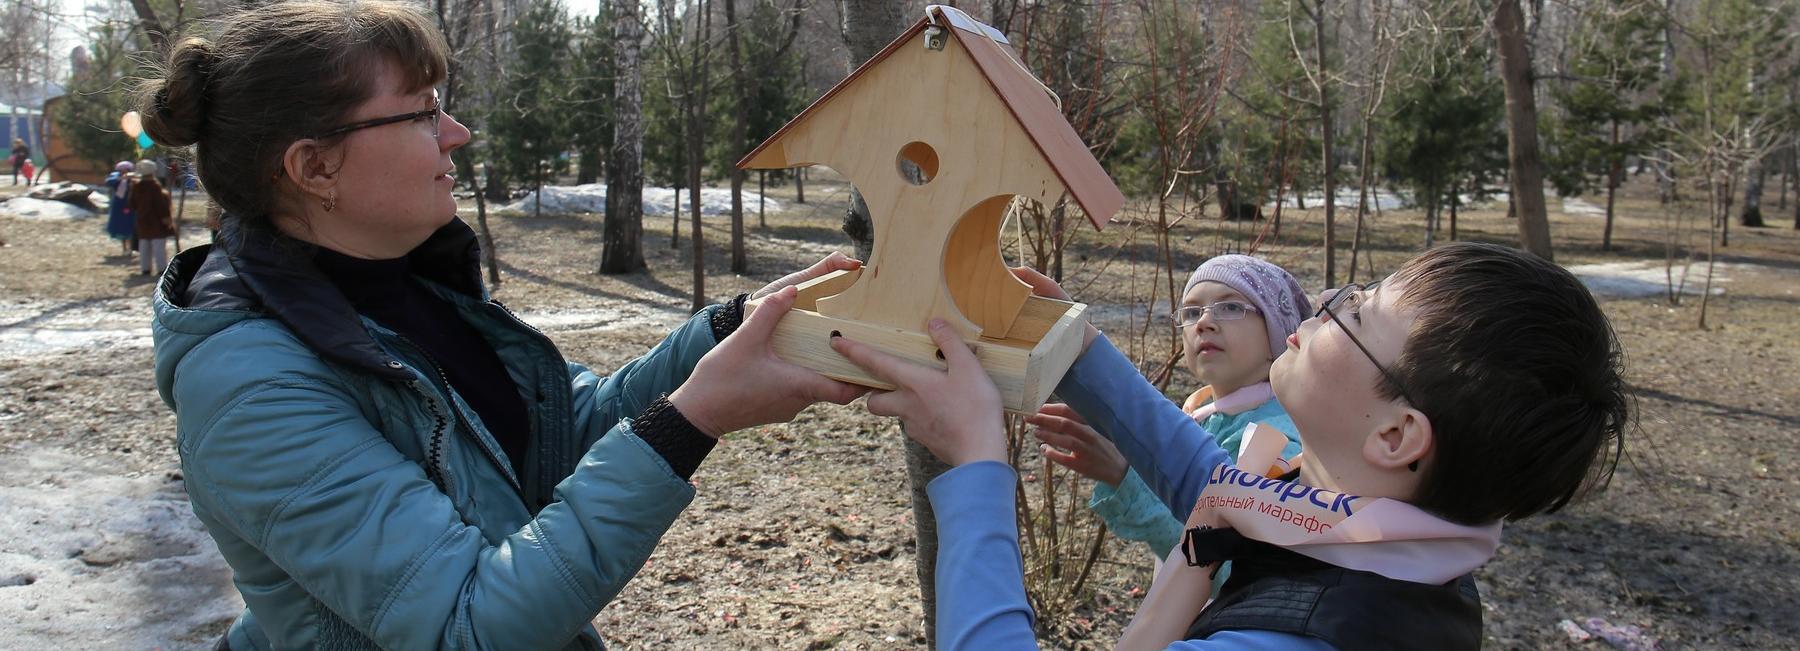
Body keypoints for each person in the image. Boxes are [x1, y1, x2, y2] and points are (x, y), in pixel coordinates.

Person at [141, 2, 864, 649]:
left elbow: (554, 440)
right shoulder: (249, 388)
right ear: (313, 167)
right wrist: (693, 418)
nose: (457, 132)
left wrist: (733, 327)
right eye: (421, 112)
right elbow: (469, 623)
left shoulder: (401, 289)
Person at [833, 242, 1629, 650]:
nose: (1320, 305)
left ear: (1395, 433)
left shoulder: (1294, 638)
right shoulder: (1382, 537)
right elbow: (1207, 482)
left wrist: (977, 463)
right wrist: (1072, 346)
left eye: (1354, 312)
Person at [1034, 255, 1309, 561]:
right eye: (1191, 312)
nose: (1203, 323)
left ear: (1280, 329)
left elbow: (1236, 570)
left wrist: (1127, 475)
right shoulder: (1204, 413)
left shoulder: (1281, 440)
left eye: (1231, 307)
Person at [129, 159, 175, 276]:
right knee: (158, 246)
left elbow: (131, 204)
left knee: (144, 245)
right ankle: (161, 269)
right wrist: (166, 218)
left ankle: (145, 269)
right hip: (156, 222)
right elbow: (161, 205)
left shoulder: (136, 187)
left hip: (142, 220)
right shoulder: (155, 187)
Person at [104, 161, 136, 256]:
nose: (123, 171)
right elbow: (108, 182)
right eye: (121, 170)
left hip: (130, 205)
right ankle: (124, 248)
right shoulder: (116, 177)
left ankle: (131, 248)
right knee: (120, 226)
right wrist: (121, 178)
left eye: (125, 170)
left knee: (130, 226)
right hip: (118, 205)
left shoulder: (133, 178)